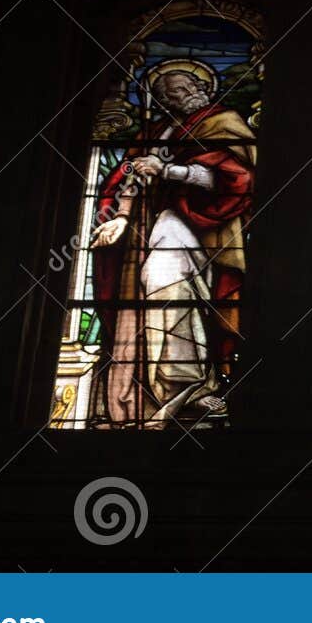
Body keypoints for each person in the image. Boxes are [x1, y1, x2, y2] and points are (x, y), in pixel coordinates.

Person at [89, 67, 255, 428]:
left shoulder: (222, 122)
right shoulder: (157, 132)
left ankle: (193, 385)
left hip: (203, 228)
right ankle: (153, 392)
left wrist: (168, 171)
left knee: (168, 284)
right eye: (168, 95)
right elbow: (129, 176)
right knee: (147, 292)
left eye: (182, 88)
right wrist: (120, 216)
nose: (177, 97)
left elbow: (236, 179)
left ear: (199, 86)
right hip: (150, 225)